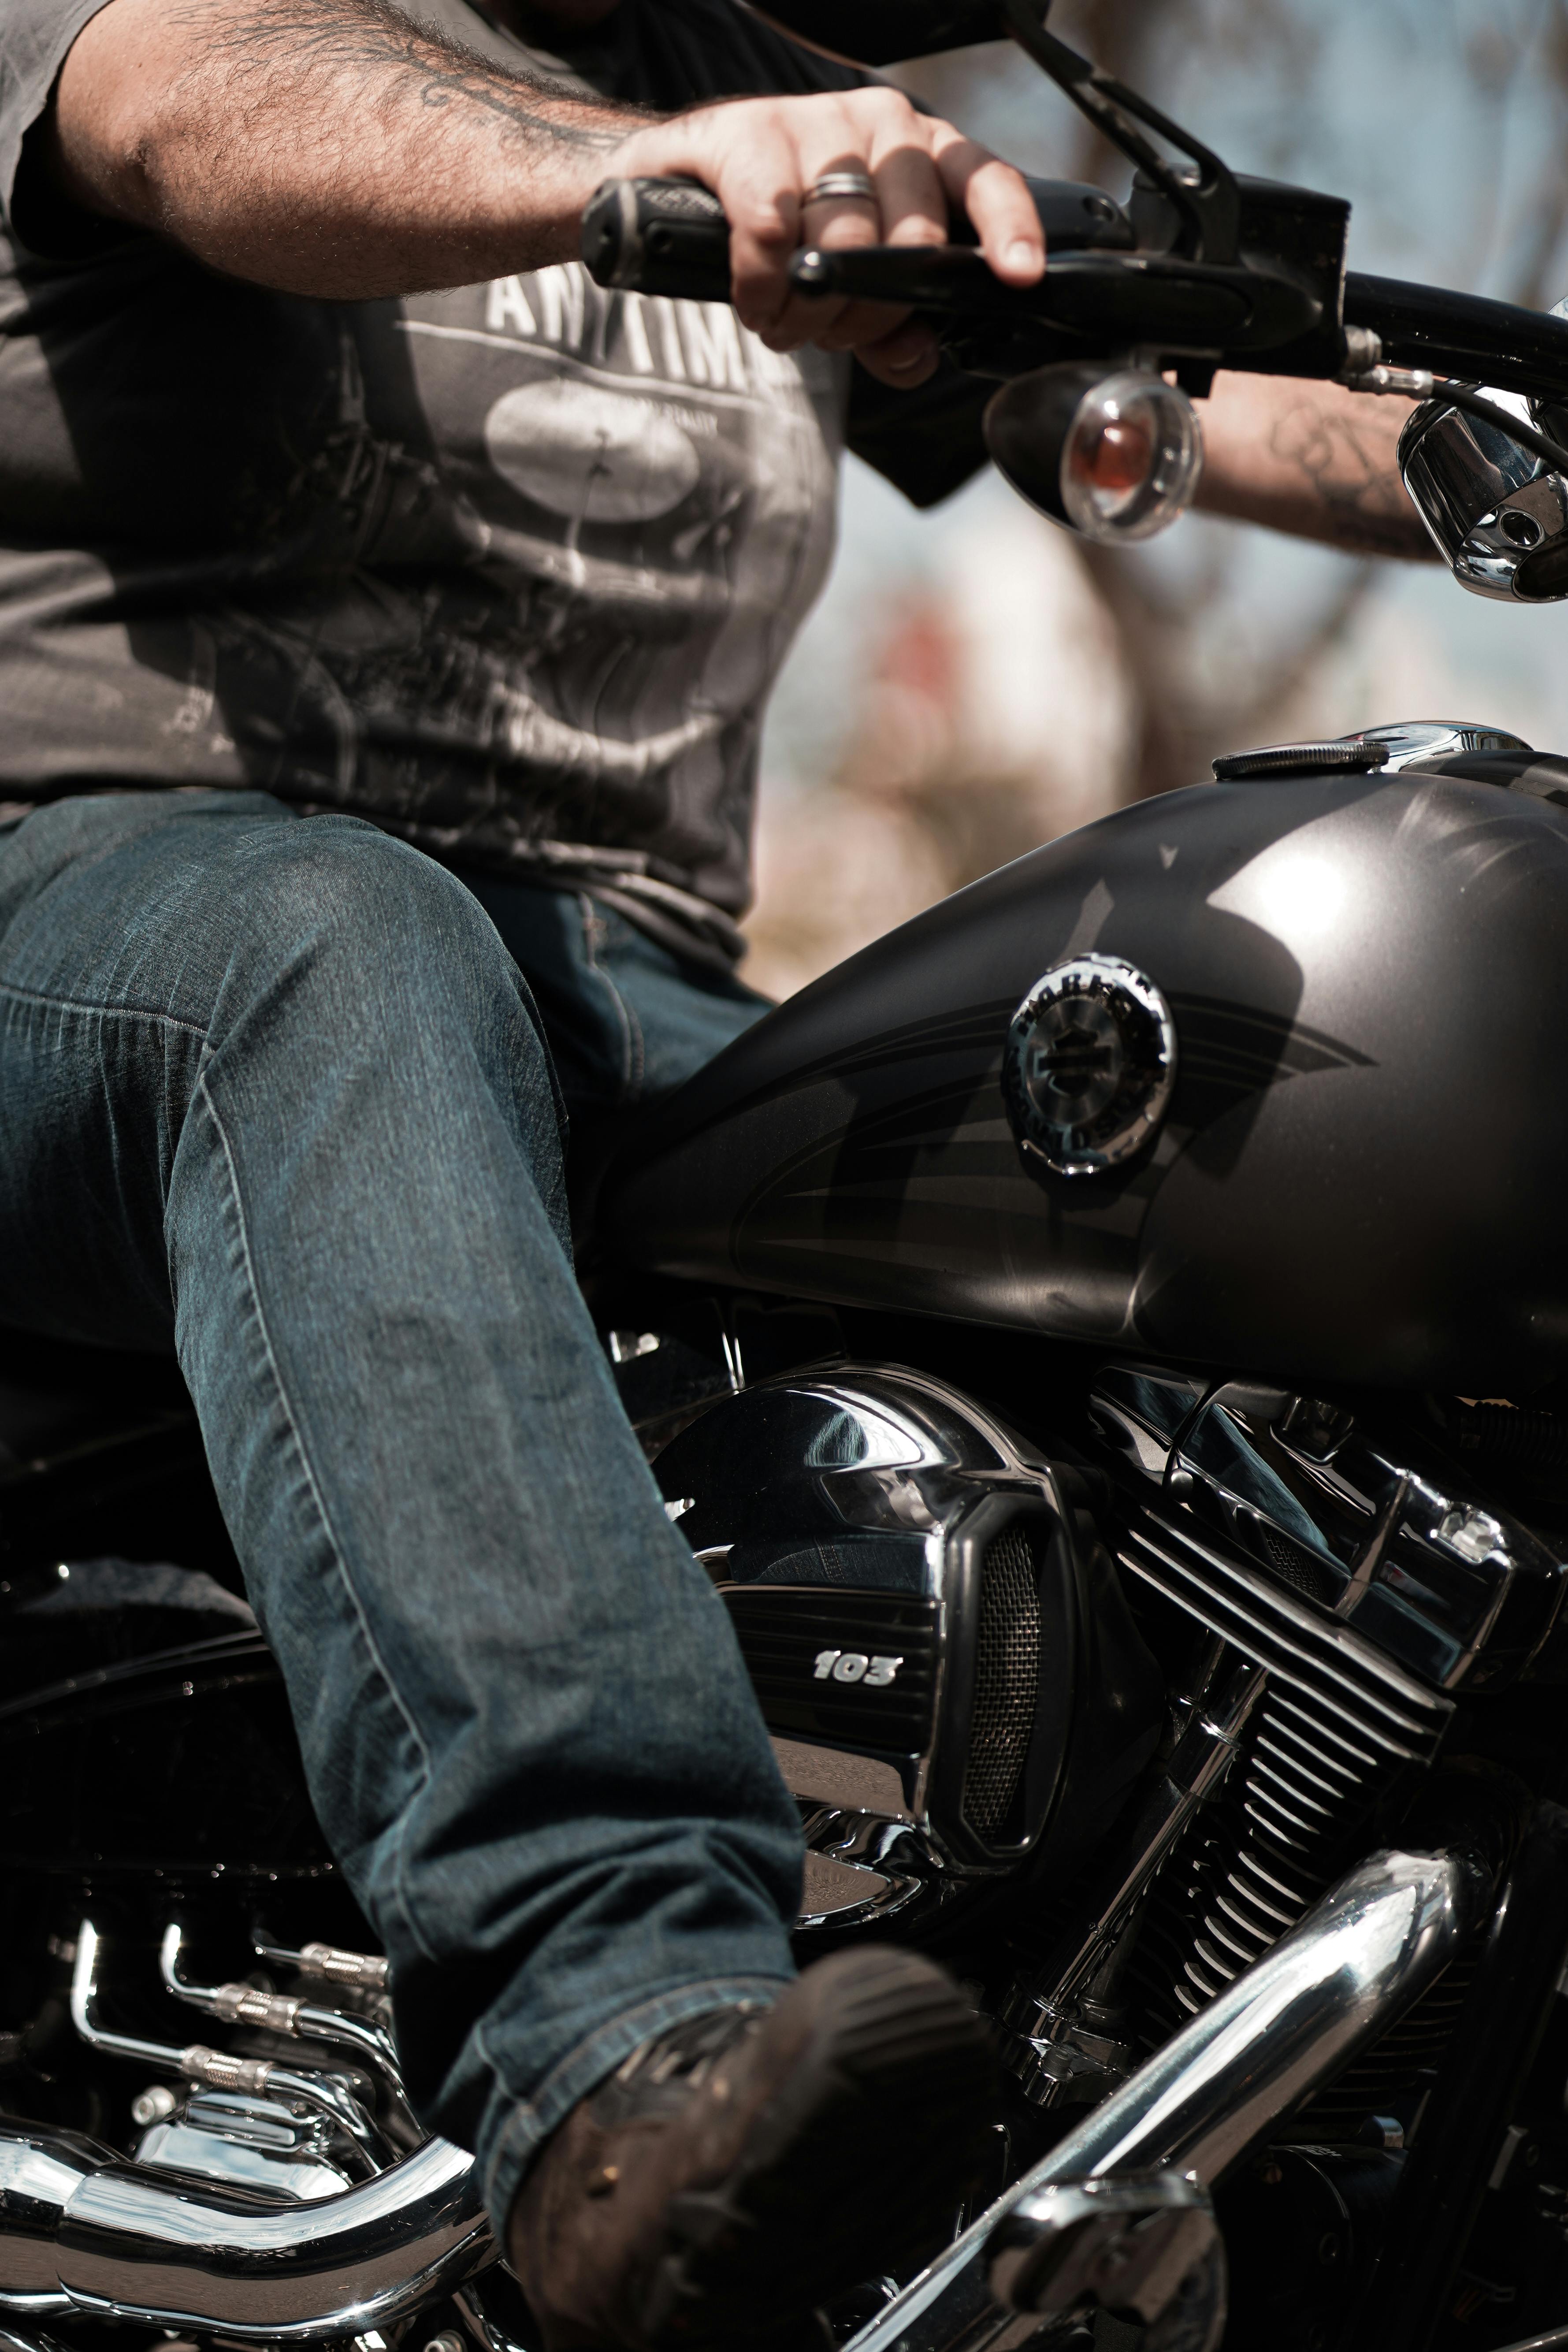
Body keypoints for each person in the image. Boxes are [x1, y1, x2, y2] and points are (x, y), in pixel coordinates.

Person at [0, 0, 1430, 2339]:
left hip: (612, 996)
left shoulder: (753, 87)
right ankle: (599, 2045)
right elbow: (176, 112)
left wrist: (1465, 441)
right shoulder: (303, 43)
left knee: (1122, 1151)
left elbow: (1178, 400)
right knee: (338, 950)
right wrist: (660, 160)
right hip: (105, 920)